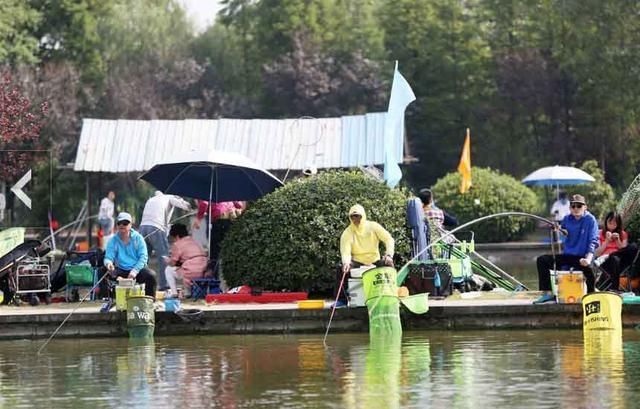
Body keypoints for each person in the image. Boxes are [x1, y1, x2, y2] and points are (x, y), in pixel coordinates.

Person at [534, 194, 598, 303]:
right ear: (570, 208)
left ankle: (591, 295)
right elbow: (564, 231)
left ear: (585, 207)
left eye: (579, 206)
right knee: (542, 260)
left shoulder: (590, 220)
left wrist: (588, 259)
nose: (576, 209)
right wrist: (556, 228)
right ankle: (548, 293)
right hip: (568, 256)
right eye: (573, 206)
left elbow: (593, 241)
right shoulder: (567, 219)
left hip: (583, 257)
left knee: (589, 269)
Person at [336, 204, 395, 306]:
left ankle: (392, 295)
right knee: (341, 270)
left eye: (358, 216)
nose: (356, 219)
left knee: (388, 265)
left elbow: (388, 239)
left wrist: (389, 255)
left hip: (375, 260)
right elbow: (345, 251)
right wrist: (346, 263)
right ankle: (342, 299)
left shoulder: (373, 226)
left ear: (363, 216)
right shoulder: (347, 233)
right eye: (353, 217)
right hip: (357, 262)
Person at [138, 191, 191, 291]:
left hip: (143, 227)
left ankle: (142, 285)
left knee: (143, 257)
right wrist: (188, 206)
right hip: (156, 227)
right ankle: (164, 285)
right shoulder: (169, 197)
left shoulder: (151, 199)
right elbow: (183, 205)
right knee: (164, 257)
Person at [104, 212, 157, 298]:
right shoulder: (113, 240)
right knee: (104, 273)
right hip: (120, 270)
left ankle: (149, 300)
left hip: (136, 270)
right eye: (119, 223)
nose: (122, 225)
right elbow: (108, 257)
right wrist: (108, 263)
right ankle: (108, 299)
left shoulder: (138, 238)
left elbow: (143, 258)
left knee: (151, 275)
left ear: (130, 225)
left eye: (125, 223)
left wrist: (134, 271)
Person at [594, 211, 638, 292]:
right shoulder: (599, 233)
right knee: (614, 258)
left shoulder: (623, 234)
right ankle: (614, 288)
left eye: (615, 223)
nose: (612, 226)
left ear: (618, 224)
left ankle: (610, 255)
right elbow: (597, 253)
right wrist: (607, 241)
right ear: (606, 222)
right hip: (605, 263)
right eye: (610, 222)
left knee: (634, 246)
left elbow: (625, 250)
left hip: (621, 263)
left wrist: (618, 241)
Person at [164, 223, 208, 297]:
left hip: (191, 271)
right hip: (204, 270)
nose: (173, 240)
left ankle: (174, 293)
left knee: (168, 270)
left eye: (173, 238)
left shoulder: (177, 244)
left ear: (177, 236)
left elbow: (173, 263)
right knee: (182, 268)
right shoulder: (194, 241)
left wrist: (168, 261)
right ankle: (188, 292)